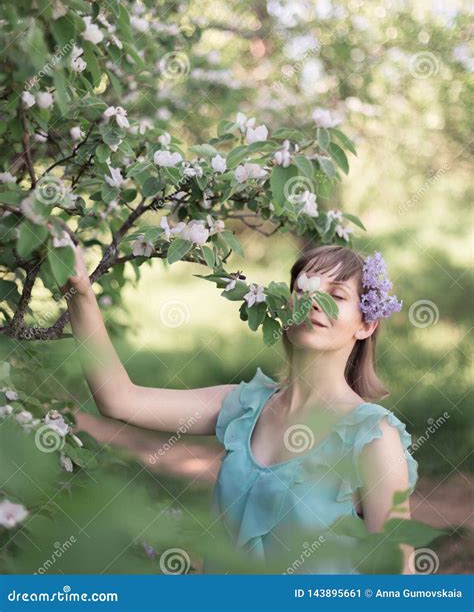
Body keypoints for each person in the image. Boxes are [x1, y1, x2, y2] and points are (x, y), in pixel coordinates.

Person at [61, 242, 418, 574]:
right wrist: (80, 292)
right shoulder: (243, 406)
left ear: (367, 324)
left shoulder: (371, 436)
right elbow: (119, 400)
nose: (313, 302)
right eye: (303, 289)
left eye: (336, 295)